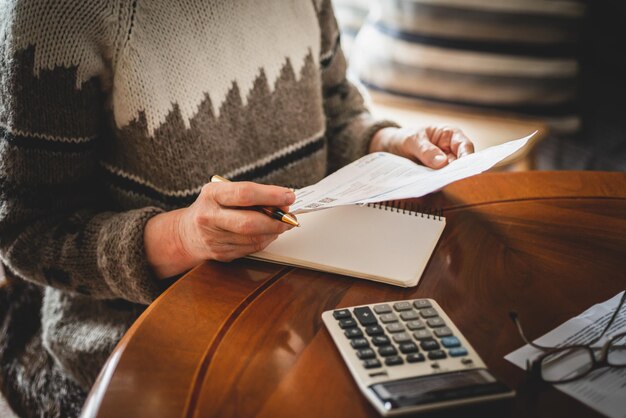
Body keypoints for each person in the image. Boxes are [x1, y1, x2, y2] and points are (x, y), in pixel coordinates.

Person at [0, 0, 474, 416]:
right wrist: (184, 235)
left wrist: (386, 144)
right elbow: (27, 231)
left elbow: (338, 112)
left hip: (312, 288)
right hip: (145, 325)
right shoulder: (54, 15)